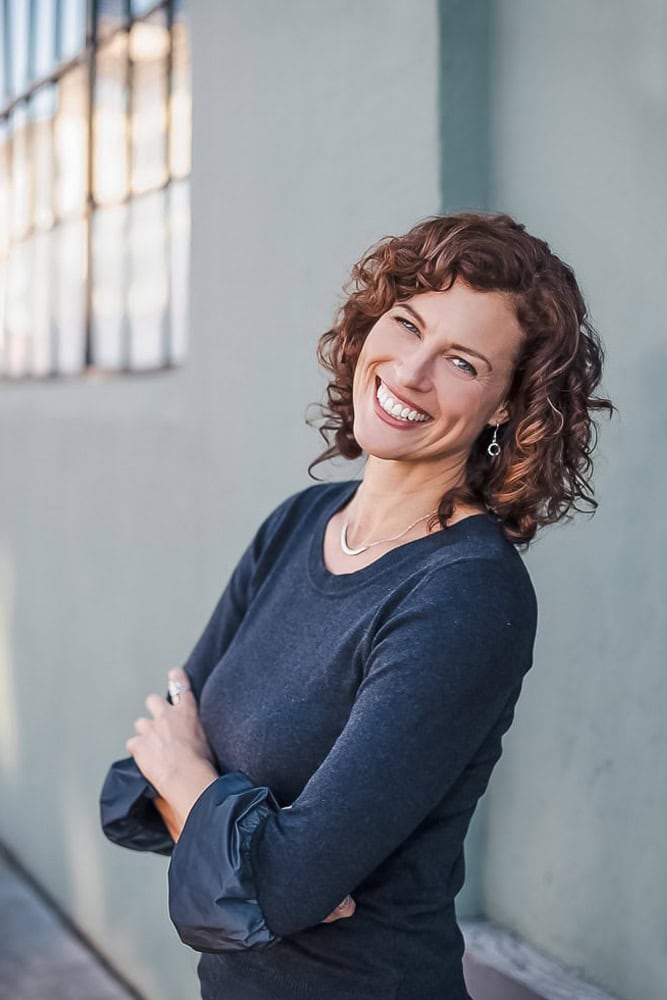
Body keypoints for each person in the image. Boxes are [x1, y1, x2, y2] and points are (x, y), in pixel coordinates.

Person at [100, 211, 615, 1000]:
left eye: (461, 362)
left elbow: (276, 886)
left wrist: (201, 796)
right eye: (406, 323)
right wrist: (249, 853)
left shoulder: (465, 593)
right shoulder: (298, 524)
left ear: (505, 408)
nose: (409, 371)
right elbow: (135, 785)